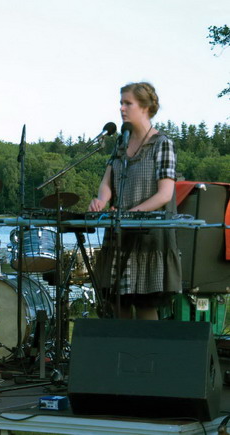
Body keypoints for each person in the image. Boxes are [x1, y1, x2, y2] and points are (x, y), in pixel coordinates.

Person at [88, 82, 181, 320]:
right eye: (121, 103)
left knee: (143, 305)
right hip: (119, 235)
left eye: (127, 103)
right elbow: (107, 182)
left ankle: (148, 356)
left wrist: (130, 213)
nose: (121, 108)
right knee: (117, 305)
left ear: (145, 107)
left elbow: (165, 194)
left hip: (148, 237)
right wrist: (101, 200)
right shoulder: (121, 142)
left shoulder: (162, 144)